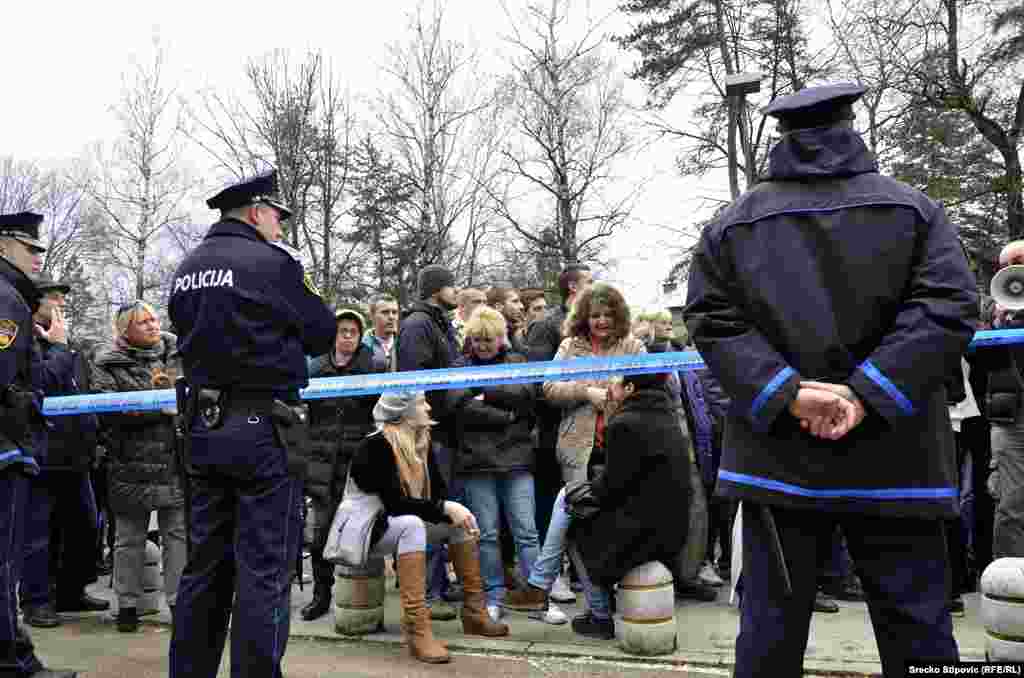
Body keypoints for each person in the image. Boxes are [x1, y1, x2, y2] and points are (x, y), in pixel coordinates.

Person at [684, 83, 978, 678]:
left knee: (770, 629)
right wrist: (869, 391)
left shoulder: (730, 226)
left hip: (776, 461)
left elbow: (711, 320)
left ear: (783, 138)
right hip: (898, 460)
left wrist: (789, 393)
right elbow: (949, 304)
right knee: (917, 626)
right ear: (852, 127)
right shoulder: (915, 210)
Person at [167, 171, 336, 678]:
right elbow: (322, 332)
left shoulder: (187, 267)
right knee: (264, 569)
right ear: (257, 212)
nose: (281, 228)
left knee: (205, 567)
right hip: (263, 431)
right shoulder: (273, 263)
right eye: (278, 217)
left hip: (202, 426)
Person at [506, 350, 691, 639]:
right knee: (568, 498)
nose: (610, 387)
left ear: (630, 389)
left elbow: (611, 489)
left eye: (616, 382)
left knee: (575, 524)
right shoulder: (664, 416)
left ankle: (596, 614)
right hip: (669, 526)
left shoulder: (625, 423)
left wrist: (585, 487)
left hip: (645, 531)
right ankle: (540, 584)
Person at [345, 391, 509, 664]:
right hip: (366, 531)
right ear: (404, 413)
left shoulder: (421, 441)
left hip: (402, 524)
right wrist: (445, 508)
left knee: (461, 522)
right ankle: (417, 629)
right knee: (413, 524)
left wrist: (452, 511)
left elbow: (437, 497)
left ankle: (474, 614)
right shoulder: (374, 446)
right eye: (421, 403)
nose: (428, 406)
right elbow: (394, 505)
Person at [447, 307, 566, 624]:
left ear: (501, 338)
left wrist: (484, 391)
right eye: (477, 340)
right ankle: (494, 596)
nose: (483, 345)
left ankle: (538, 598)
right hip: (475, 463)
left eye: (488, 339)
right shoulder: (459, 364)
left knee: (526, 533)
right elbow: (458, 406)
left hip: (516, 461)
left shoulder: (517, 361)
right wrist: (505, 415)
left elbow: (526, 395)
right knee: (485, 535)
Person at [0, 211, 77, 678]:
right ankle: (13, 662)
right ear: (4, 245)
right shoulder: (7, 300)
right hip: (6, 445)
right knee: (4, 564)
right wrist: (60, 352)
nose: (36, 258)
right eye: (30, 249)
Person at [91, 301, 186, 633]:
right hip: (129, 462)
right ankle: (127, 606)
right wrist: (158, 407)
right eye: (143, 322)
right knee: (129, 539)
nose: (152, 325)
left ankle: (179, 604)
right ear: (124, 330)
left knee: (178, 536)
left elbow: (191, 395)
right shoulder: (107, 363)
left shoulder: (176, 352)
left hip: (175, 460)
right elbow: (107, 410)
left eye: (154, 319)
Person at [20, 277, 105, 631]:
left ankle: (71, 590)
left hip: (76, 454)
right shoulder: (24, 342)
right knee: (39, 533)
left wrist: (94, 436)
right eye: (52, 297)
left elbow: (81, 393)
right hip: (41, 453)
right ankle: (37, 600)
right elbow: (43, 385)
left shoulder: (69, 346)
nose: (60, 303)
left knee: (84, 527)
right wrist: (56, 348)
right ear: (33, 303)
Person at [299, 308, 382, 621]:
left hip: (356, 463)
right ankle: (322, 594)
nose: (347, 336)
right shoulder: (315, 367)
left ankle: (361, 599)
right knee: (320, 534)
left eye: (353, 331)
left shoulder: (373, 366)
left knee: (358, 532)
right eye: (342, 330)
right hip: (321, 463)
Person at [395, 264, 463, 620]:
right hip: (428, 434)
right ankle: (428, 593)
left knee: (441, 508)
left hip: (443, 430)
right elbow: (414, 382)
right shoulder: (418, 325)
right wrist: (421, 431)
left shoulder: (437, 323)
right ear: (438, 290)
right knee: (428, 509)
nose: (457, 291)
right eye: (452, 286)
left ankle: (437, 583)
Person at [524, 264, 592, 603]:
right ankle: (554, 575)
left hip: (587, 428)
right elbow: (538, 384)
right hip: (552, 429)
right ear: (572, 289)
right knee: (553, 502)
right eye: (589, 282)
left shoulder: (592, 327)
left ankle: (581, 571)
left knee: (581, 501)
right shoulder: (547, 326)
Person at [542, 283, 646, 485]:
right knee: (580, 511)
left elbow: (647, 390)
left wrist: (617, 396)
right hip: (577, 448)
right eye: (595, 316)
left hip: (624, 444)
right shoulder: (569, 346)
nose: (602, 321)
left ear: (619, 316)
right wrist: (586, 393)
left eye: (608, 315)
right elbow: (549, 387)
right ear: (584, 318)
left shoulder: (634, 346)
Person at [362, 295, 399, 371]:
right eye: (385, 312)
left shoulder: (405, 342)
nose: (391, 317)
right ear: (371, 316)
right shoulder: (361, 346)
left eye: (394, 312)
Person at [486, 287, 526, 352]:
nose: (521, 306)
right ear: (498, 306)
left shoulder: (515, 329)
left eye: (520, 302)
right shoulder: (488, 334)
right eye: (515, 301)